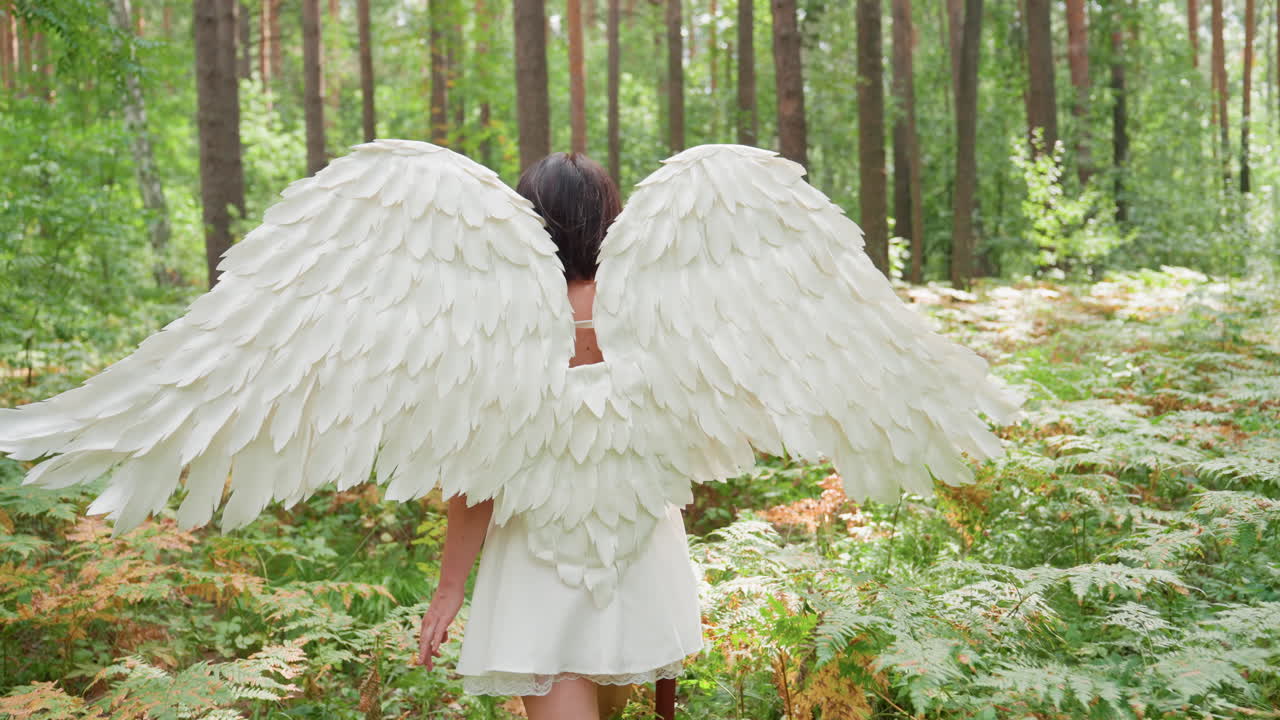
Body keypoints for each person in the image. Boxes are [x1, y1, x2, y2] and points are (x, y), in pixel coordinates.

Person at [414, 152, 704, 720]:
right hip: (639, 546)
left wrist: (450, 588)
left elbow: (478, 471)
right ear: (609, 220)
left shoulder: (501, 322)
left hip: (538, 557)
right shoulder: (653, 311)